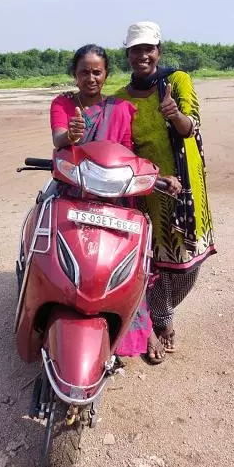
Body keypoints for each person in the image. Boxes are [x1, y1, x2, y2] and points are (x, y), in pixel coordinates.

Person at [50, 43, 180, 364]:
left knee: (130, 261)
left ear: (106, 74)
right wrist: (71, 136)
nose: (91, 78)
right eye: (84, 72)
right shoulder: (63, 104)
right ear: (74, 74)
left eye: (97, 72)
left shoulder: (120, 108)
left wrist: (158, 176)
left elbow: (127, 154)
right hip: (74, 191)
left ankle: (143, 326)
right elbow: (58, 138)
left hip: (115, 196)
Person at [115, 22, 216, 353]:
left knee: (189, 261)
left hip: (185, 189)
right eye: (135, 50)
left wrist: (173, 114)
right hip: (147, 192)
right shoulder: (120, 99)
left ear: (158, 50)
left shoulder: (177, 81)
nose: (142, 55)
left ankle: (159, 315)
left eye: (148, 48)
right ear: (127, 55)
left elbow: (190, 128)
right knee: (153, 263)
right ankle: (160, 320)